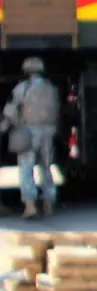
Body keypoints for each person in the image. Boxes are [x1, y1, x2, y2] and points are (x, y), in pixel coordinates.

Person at [3, 57, 61, 219]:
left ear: (26, 71)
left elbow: (11, 110)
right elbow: (56, 109)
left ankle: (30, 205)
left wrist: (8, 125)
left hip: (29, 131)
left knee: (26, 167)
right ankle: (49, 203)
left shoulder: (22, 88)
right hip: (48, 132)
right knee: (46, 166)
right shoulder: (51, 88)